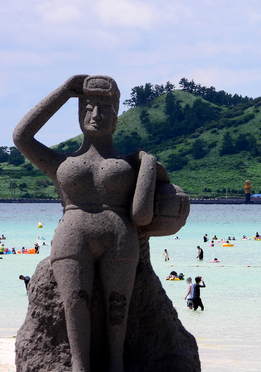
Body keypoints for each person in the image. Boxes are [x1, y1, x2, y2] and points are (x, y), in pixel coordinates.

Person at [14, 75, 164, 372]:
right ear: (80, 112)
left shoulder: (130, 163)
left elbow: (142, 216)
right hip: (73, 237)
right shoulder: (61, 163)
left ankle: (116, 365)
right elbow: (21, 137)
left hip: (120, 239)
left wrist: (147, 165)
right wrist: (63, 92)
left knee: (118, 306)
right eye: (89, 107)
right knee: (74, 304)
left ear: (117, 116)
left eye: (105, 109)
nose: (96, 115)